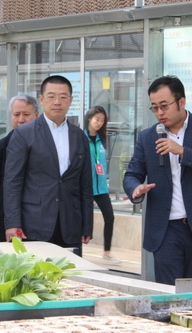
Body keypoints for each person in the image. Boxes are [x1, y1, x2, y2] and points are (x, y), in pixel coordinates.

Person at [123, 75, 192, 285]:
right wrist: (135, 188)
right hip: (165, 229)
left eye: (164, 106)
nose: (159, 113)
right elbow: (132, 174)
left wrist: (182, 151)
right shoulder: (147, 137)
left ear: (181, 102)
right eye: (154, 108)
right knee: (168, 291)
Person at [3, 75, 94, 256]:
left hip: (70, 223)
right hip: (33, 223)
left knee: (71, 272)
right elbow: (13, 182)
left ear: (71, 100)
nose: (57, 102)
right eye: (51, 96)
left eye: (63, 97)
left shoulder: (79, 136)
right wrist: (13, 222)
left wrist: (87, 225)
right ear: (42, 99)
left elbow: (85, 184)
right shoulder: (24, 134)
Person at [0, 94, 39, 242]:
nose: (21, 119)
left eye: (26, 114)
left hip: (41, 223)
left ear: (36, 115)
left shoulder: (46, 147)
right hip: (6, 225)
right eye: (16, 114)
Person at [84, 105, 120, 265]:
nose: (99, 123)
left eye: (102, 120)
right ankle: (77, 251)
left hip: (100, 187)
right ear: (89, 118)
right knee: (83, 220)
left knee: (109, 217)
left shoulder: (101, 139)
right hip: (85, 186)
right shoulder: (80, 138)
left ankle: (107, 253)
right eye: (97, 119)